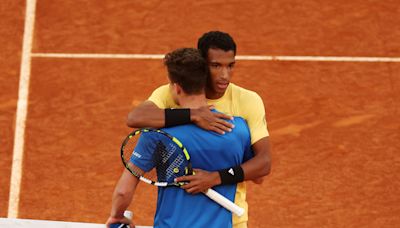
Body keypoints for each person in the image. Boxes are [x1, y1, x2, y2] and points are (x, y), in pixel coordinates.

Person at [126, 31, 271, 227]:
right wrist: (193, 114)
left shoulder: (248, 101)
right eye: (216, 66)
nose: (225, 75)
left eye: (230, 65)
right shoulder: (172, 93)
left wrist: (215, 178)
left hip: (231, 220)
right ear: (202, 64)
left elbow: (263, 165)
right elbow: (136, 118)